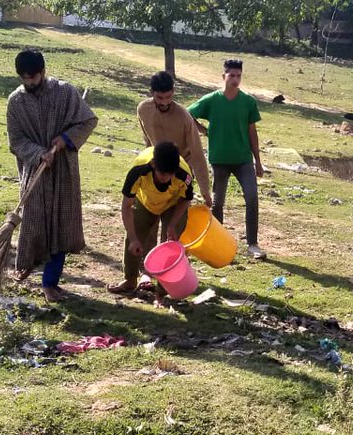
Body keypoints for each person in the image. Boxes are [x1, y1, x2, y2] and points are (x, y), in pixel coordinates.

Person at [6, 49, 98, 302]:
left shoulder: (65, 92)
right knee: (34, 222)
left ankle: (50, 283)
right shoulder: (16, 102)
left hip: (63, 170)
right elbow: (16, 140)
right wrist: (38, 153)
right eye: (25, 78)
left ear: (43, 72)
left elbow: (88, 120)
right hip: (34, 171)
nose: (30, 82)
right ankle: (27, 264)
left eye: (34, 77)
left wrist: (66, 139)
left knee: (61, 225)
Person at [188, 59, 267, 260]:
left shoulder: (248, 102)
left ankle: (252, 244)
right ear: (223, 76)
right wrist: (204, 130)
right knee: (218, 202)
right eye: (231, 75)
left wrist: (258, 161)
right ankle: (218, 244)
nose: (235, 79)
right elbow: (188, 114)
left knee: (252, 198)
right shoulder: (211, 100)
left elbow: (252, 132)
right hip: (220, 159)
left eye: (238, 76)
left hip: (243, 160)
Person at [110, 142, 195, 303]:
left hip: (173, 204)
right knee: (135, 235)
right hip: (146, 201)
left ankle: (163, 290)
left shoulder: (184, 175)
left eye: (169, 174)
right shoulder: (138, 170)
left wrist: (172, 225)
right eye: (161, 173)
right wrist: (133, 237)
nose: (164, 178)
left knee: (170, 245)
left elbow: (185, 200)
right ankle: (130, 279)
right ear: (154, 164)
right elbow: (127, 206)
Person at [137, 71, 212, 207]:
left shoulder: (184, 117)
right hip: (157, 168)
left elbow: (197, 154)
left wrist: (205, 190)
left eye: (168, 97)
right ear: (151, 92)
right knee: (151, 210)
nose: (164, 102)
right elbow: (148, 141)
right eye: (160, 98)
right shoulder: (143, 109)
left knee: (176, 215)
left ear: (173, 92)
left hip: (180, 170)